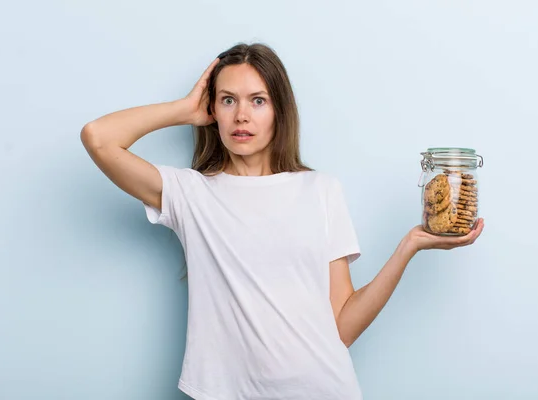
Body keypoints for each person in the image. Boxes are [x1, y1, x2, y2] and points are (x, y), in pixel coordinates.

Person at [80, 43, 484, 400]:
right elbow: (98, 137)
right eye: (227, 100)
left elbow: (341, 328)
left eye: (258, 100)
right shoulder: (190, 194)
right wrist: (183, 110)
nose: (242, 115)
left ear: (279, 111)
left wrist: (408, 246)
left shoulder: (320, 190)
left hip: (324, 388)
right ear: (211, 111)